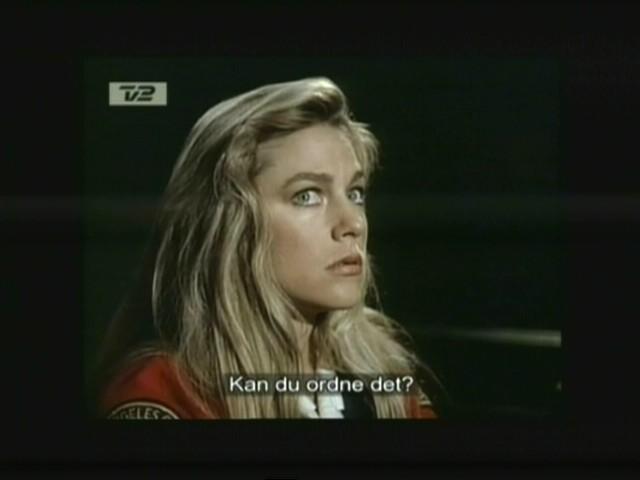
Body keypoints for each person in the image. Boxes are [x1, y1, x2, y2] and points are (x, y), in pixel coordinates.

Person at [92, 77, 448, 419]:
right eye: (307, 196)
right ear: (232, 226)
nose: (353, 223)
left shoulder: (387, 372)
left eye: (355, 193)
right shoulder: (166, 390)